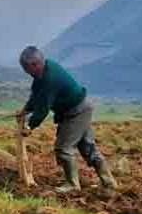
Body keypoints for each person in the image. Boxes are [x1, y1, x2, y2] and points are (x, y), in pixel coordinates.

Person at [16, 46, 117, 193]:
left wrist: (30, 126)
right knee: (88, 148)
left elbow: (43, 108)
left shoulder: (50, 78)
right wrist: (26, 109)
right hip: (80, 108)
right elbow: (36, 94)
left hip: (76, 112)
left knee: (63, 149)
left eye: (26, 69)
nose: (26, 72)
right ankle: (109, 183)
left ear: (35, 65)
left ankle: (72, 185)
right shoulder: (43, 71)